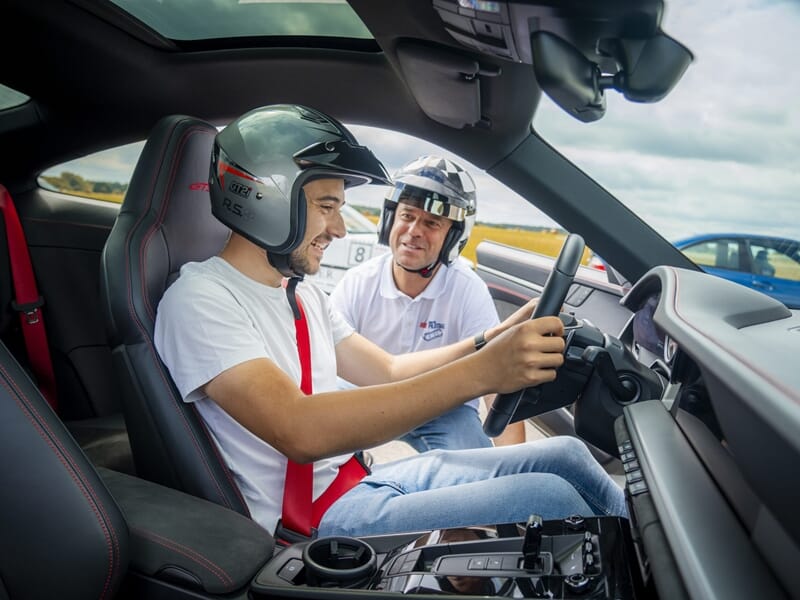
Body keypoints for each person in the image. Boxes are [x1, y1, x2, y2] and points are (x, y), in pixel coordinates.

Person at [154, 104, 626, 540]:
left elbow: (388, 371)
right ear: (265, 198)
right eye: (326, 207)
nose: (339, 230)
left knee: (566, 456)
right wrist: (485, 372)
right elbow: (299, 429)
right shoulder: (200, 300)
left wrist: (488, 341)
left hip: (360, 481)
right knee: (549, 498)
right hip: (315, 518)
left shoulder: (302, 295)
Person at [330, 155, 524, 450]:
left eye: (432, 222)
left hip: (441, 406)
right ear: (390, 220)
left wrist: (513, 465)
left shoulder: (467, 289)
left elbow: (498, 380)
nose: (414, 231)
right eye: (407, 216)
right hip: (368, 396)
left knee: (475, 469)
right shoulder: (358, 282)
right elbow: (322, 365)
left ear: (453, 236)